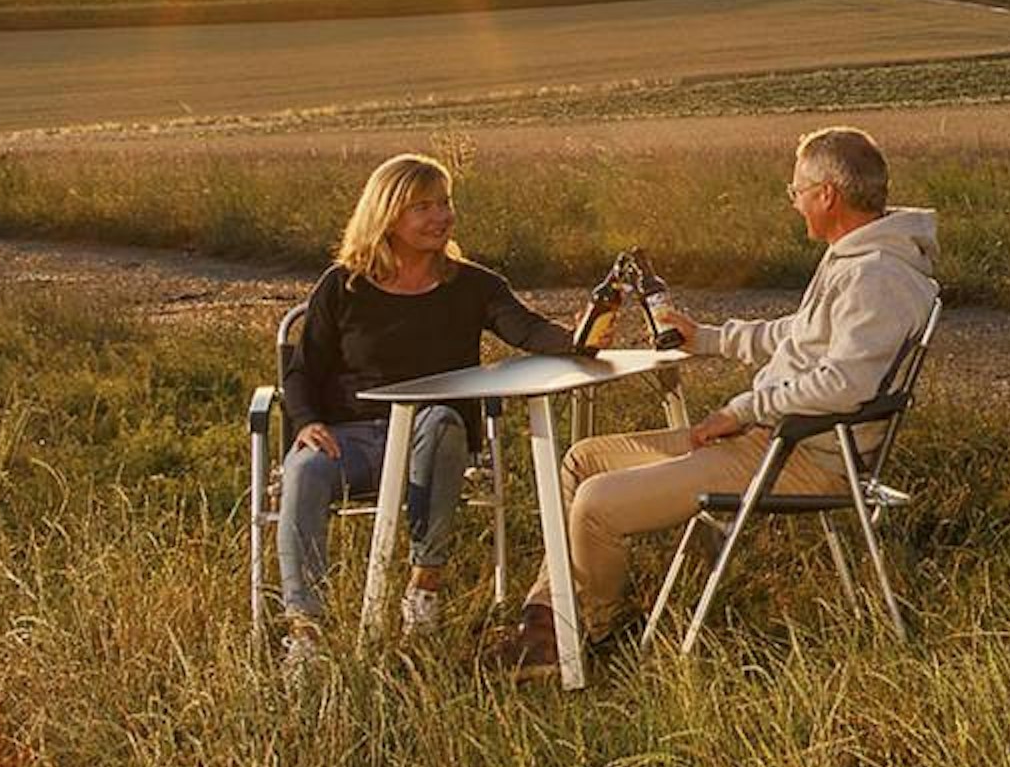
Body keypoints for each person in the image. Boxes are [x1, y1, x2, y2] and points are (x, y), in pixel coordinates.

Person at [500, 125, 939, 672]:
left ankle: (592, 632)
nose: (795, 202)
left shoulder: (878, 275)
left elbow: (844, 386)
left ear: (828, 193)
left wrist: (741, 411)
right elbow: (799, 335)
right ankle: (545, 621)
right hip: (771, 440)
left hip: (803, 455)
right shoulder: (853, 258)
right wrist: (708, 338)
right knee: (581, 460)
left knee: (597, 504)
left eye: (797, 190)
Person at [274, 153, 581, 674]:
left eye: (445, 203)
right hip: (351, 437)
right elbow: (301, 371)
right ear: (388, 214)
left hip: (431, 438)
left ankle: (424, 591)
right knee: (303, 469)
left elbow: (527, 330)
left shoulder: (474, 285)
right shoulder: (342, 286)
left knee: (441, 421)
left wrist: (579, 340)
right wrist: (306, 422)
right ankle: (307, 631)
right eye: (423, 207)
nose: (441, 217)